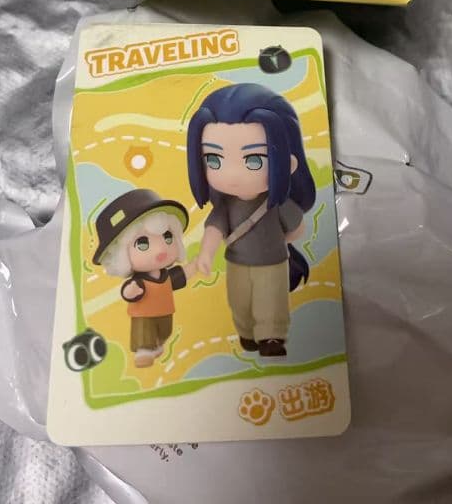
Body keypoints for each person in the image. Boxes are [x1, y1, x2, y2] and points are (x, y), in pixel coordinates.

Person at [187, 83, 316, 356]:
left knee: (271, 300)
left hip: (272, 264)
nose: (233, 175)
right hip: (237, 263)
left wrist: (279, 243)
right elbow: (214, 229)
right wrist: (206, 254)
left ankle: (271, 337)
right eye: (214, 160)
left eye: (254, 160)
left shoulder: (277, 203)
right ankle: (246, 332)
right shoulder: (226, 205)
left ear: (288, 163)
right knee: (240, 300)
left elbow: (297, 228)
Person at [93, 188, 195, 368]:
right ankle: (144, 350)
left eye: (167, 237)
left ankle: (157, 345)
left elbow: (179, 276)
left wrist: (196, 265)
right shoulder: (139, 282)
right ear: (120, 256)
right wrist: (131, 291)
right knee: (144, 333)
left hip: (165, 313)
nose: (161, 249)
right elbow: (128, 291)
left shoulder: (165, 276)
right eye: (143, 243)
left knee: (164, 332)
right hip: (144, 316)